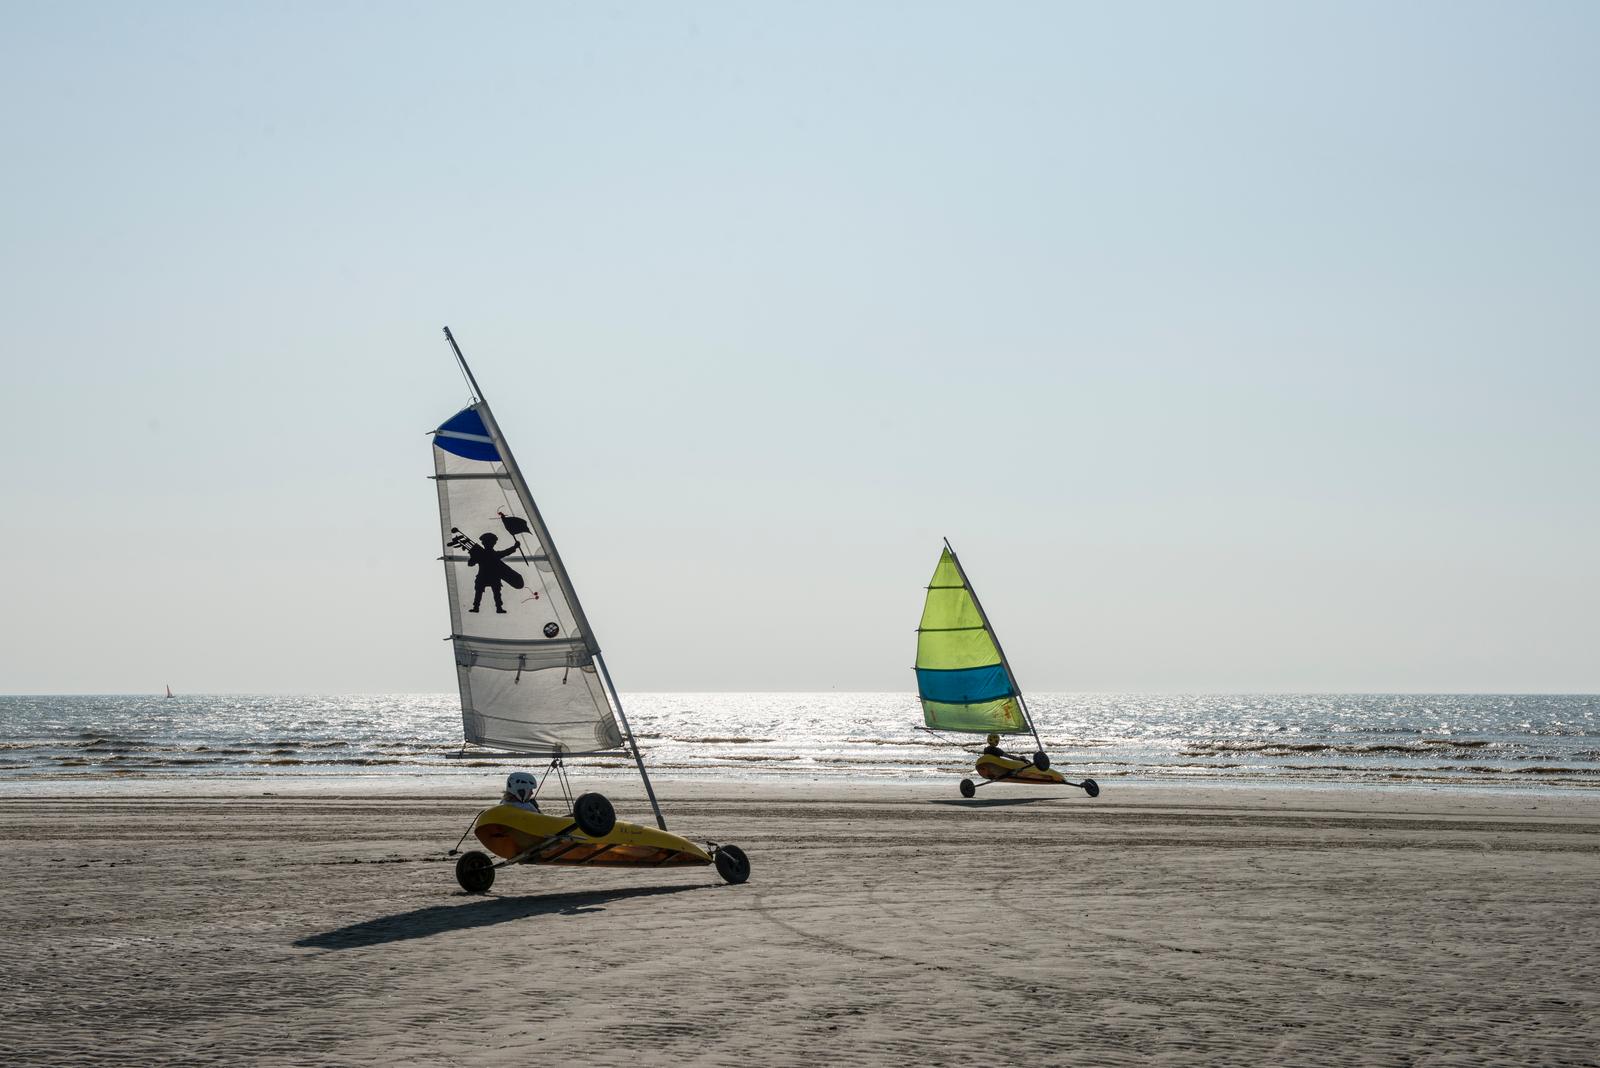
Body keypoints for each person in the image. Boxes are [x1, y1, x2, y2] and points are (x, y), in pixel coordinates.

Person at [467, 532, 520, 614]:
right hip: (489, 576)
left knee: (490, 592)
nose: (489, 544)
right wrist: (515, 547)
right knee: (491, 592)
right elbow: (470, 564)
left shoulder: (482, 554)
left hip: (485, 576)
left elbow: (470, 564)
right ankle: (495, 608)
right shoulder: (489, 554)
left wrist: (473, 555)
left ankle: (479, 607)